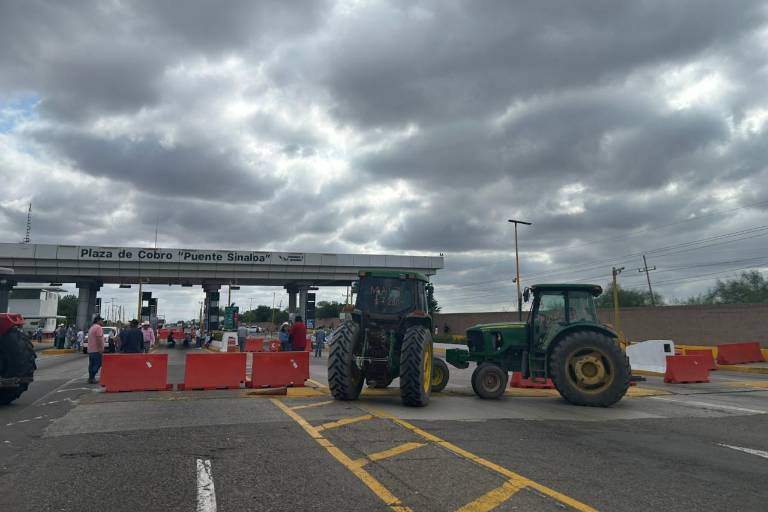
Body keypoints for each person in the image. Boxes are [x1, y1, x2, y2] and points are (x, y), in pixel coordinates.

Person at [86, 316, 105, 384]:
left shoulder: (92, 327)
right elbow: (99, 338)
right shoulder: (98, 327)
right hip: (96, 350)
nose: (102, 322)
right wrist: (100, 348)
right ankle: (92, 377)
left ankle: (90, 378)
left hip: (91, 349)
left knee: (92, 364)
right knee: (98, 363)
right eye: (101, 320)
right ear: (98, 321)